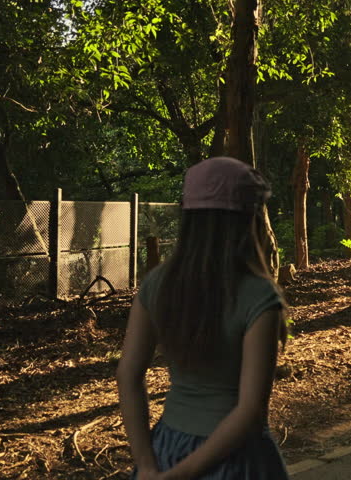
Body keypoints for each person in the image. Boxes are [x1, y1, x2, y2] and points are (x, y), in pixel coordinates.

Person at [116, 157, 290, 480]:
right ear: (249, 220)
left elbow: (128, 374)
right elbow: (250, 412)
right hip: (237, 460)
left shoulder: (157, 284)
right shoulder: (260, 297)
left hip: (168, 448)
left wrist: (148, 465)